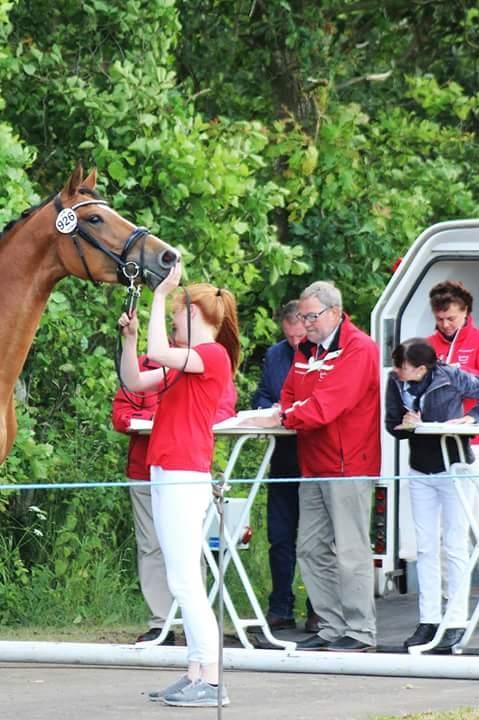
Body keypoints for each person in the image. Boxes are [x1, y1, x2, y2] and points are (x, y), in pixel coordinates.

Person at [118, 261, 240, 708]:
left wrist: (156, 295)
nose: (171, 320)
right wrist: (130, 340)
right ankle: (196, 672)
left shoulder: (210, 356)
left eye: (176, 314)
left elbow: (161, 350)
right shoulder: (185, 363)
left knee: (186, 580)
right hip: (169, 469)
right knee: (180, 575)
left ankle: (210, 678)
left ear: (198, 316)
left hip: (185, 473)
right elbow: (134, 379)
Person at [250, 280, 380, 652]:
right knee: (310, 548)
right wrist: (282, 411)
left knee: (351, 551)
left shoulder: (359, 348)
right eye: (304, 316)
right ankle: (330, 624)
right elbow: (290, 391)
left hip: (348, 464)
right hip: (313, 463)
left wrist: (282, 418)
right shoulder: (307, 350)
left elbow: (328, 404)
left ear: (335, 313)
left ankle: (360, 630)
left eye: (311, 316)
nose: (305, 323)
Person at [385, 338, 479, 652]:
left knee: (454, 545)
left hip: (453, 467)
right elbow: (391, 424)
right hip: (420, 469)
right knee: (425, 546)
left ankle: (455, 622)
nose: (397, 371)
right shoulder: (395, 382)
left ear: (422, 368)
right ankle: (429, 620)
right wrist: (407, 426)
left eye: (403, 367)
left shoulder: (451, 376)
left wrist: (473, 419)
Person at [112, 347, 237, 645]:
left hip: (185, 467)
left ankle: (197, 624)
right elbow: (122, 412)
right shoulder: (150, 364)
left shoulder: (208, 361)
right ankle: (161, 623)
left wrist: (173, 421)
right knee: (152, 546)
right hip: (145, 468)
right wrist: (155, 419)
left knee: (190, 548)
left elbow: (221, 409)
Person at [426, 280, 479, 631]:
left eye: (452, 318)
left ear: (465, 313)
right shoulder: (426, 346)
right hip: (434, 445)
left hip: (472, 442)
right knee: (443, 529)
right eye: (441, 319)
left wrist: (453, 376)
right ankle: (448, 601)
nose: (446, 325)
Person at [250, 300, 319, 633]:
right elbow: (261, 395)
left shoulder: (321, 353)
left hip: (313, 454)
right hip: (282, 455)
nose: (295, 342)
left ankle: (318, 607)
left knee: (314, 538)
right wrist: (271, 406)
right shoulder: (276, 355)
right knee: (280, 536)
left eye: (299, 335)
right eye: (288, 336)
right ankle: (280, 606)